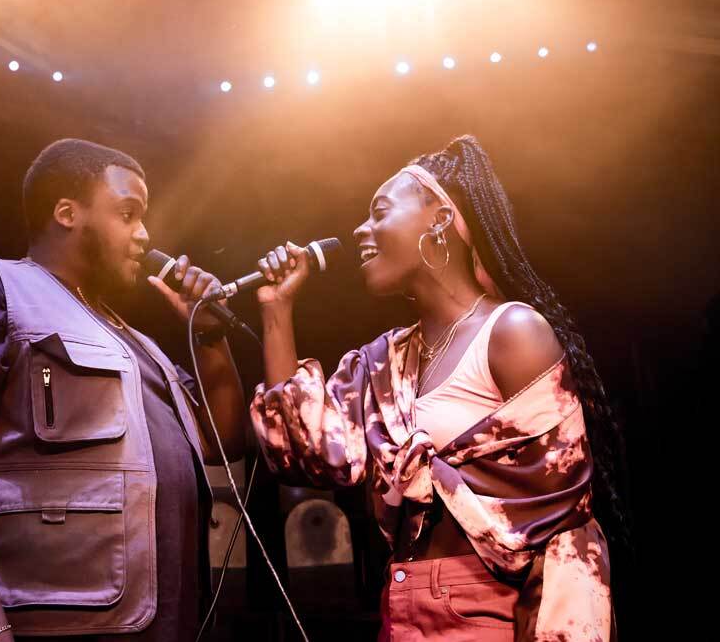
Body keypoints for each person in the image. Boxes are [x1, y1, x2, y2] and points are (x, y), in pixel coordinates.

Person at [249, 135, 626, 641]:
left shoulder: (512, 333)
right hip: (399, 607)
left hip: (487, 614)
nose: (363, 229)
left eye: (380, 211)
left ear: (440, 218)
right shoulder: (384, 361)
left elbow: (564, 532)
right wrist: (276, 309)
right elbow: (304, 453)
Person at [0, 138, 246, 641]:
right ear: (66, 213)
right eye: (128, 213)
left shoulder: (136, 341)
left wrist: (209, 335)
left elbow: (222, 438)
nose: (145, 235)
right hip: (46, 627)